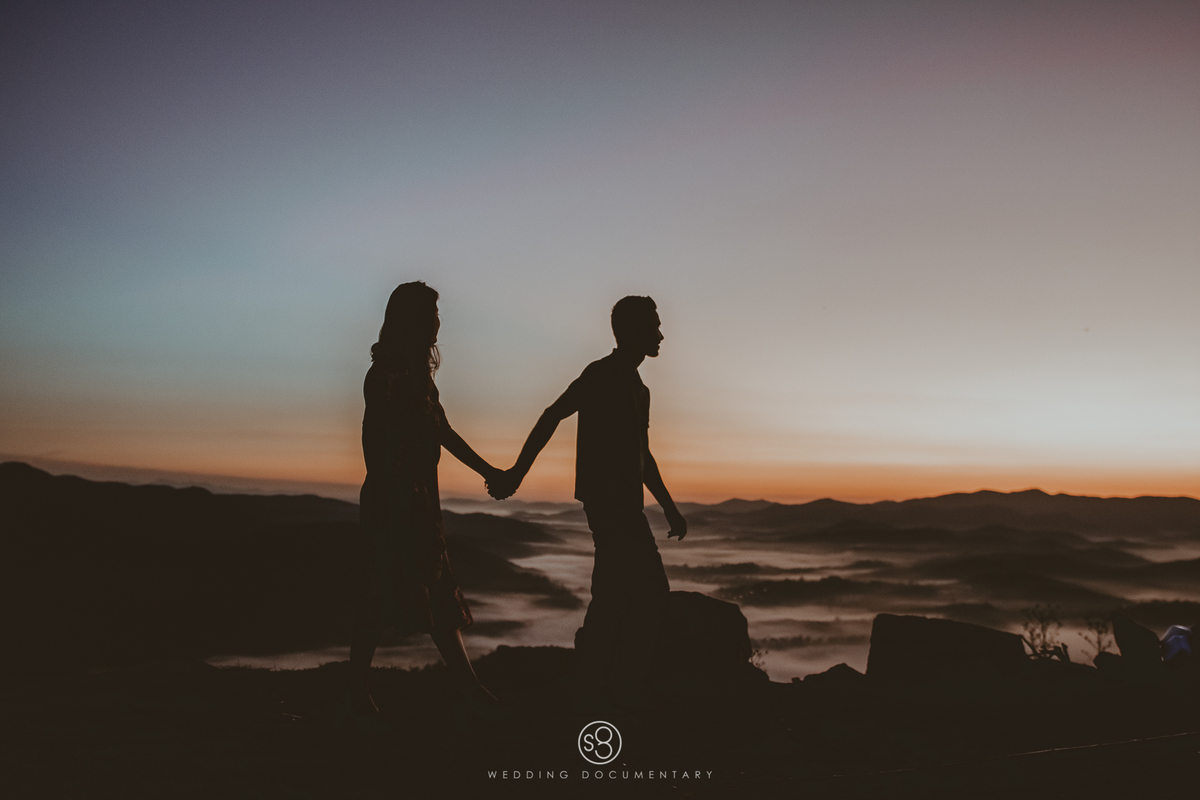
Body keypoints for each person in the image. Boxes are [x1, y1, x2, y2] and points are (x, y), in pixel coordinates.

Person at [489, 295, 686, 707]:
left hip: (626, 505)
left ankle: (599, 684)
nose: (661, 334)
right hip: (607, 504)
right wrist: (518, 473)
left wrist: (667, 505)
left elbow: (642, 454)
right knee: (648, 591)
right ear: (632, 331)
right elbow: (552, 413)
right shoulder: (600, 375)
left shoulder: (639, 389)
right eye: (654, 326)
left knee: (615, 594)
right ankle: (616, 689)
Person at [346, 281, 501, 724]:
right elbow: (374, 447)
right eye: (431, 314)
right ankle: (359, 694)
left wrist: (489, 472)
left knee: (432, 593)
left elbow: (444, 433)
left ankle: (470, 690)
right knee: (382, 596)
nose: (438, 322)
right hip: (395, 504)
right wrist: (401, 504)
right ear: (411, 320)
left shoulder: (420, 379)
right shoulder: (388, 377)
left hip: (418, 504)